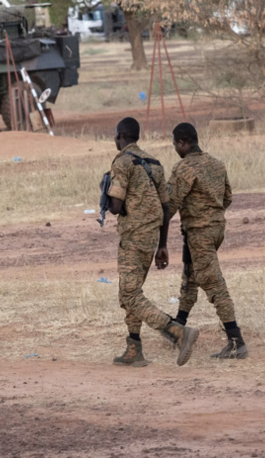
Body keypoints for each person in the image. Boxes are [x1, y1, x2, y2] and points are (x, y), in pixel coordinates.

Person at [105, 117, 199, 367]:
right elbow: (166, 207)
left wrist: (104, 194)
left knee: (130, 293)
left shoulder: (122, 162)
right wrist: (163, 245)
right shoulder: (154, 163)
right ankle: (133, 348)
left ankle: (176, 332)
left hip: (133, 237)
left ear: (120, 136)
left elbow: (115, 206)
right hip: (151, 237)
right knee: (130, 291)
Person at [167, 122, 248, 359]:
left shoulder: (184, 168)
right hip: (215, 230)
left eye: (174, 144)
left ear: (182, 142)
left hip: (199, 233)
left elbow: (169, 205)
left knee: (213, 284)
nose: (175, 148)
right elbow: (228, 197)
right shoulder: (217, 164)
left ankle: (236, 341)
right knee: (191, 278)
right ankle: (176, 329)